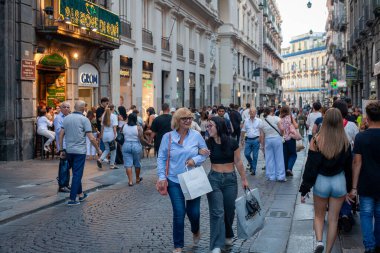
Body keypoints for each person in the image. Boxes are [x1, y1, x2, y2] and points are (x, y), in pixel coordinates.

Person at [299, 108, 352, 253]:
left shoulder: (317, 140)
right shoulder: (345, 141)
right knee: (334, 219)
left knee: (318, 215)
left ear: (325, 120)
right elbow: (349, 168)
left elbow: (311, 167)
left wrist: (305, 188)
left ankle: (319, 241)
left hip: (322, 181)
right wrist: (350, 188)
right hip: (339, 181)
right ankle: (328, 251)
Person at [156, 108, 208, 253]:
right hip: (174, 180)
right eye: (184, 118)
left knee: (194, 213)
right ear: (177, 121)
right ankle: (178, 246)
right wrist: (161, 176)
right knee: (179, 212)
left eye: (190, 118)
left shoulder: (196, 136)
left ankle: (195, 229)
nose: (188, 121)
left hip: (193, 178)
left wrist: (195, 159)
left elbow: (205, 153)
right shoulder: (168, 137)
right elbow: (161, 158)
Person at [205, 116, 249, 253]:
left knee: (229, 210)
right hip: (214, 179)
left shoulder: (232, 142)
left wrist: (244, 179)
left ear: (218, 126)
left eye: (210, 126)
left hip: (230, 180)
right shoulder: (208, 143)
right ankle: (216, 246)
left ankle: (228, 233)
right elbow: (199, 156)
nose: (207, 129)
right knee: (217, 212)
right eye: (207, 126)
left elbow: (238, 161)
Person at [348, 101, 380, 253]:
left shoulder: (361, 137)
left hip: (366, 183)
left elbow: (357, 163)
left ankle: (369, 246)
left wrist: (354, 188)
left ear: (367, 118)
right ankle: (378, 243)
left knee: (366, 215)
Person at [59, 100, 102, 205]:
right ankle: (72, 199)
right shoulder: (84, 119)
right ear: (83, 108)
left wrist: (61, 149)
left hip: (69, 150)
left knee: (75, 172)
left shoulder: (67, 118)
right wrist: (98, 150)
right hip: (79, 151)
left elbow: (61, 135)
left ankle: (81, 194)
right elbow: (91, 138)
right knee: (77, 174)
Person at [259, 107, 286, 181]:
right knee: (279, 157)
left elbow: (262, 135)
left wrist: (262, 145)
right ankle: (280, 176)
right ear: (271, 112)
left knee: (269, 158)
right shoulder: (276, 118)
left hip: (268, 139)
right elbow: (282, 129)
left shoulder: (262, 121)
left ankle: (271, 176)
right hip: (276, 138)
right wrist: (281, 134)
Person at [122, 113, 144, 186]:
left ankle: (130, 181)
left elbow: (122, 134)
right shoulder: (138, 127)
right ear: (135, 119)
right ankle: (137, 178)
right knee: (137, 163)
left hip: (126, 145)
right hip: (136, 145)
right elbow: (141, 137)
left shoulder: (124, 126)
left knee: (128, 164)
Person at [54, 102, 71, 193]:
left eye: (68, 107)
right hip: (63, 145)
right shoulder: (58, 118)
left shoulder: (69, 117)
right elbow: (59, 131)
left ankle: (66, 183)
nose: (66, 108)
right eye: (64, 107)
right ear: (60, 108)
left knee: (67, 165)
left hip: (69, 144)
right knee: (64, 165)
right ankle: (62, 185)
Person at [240, 107, 262, 175]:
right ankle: (252, 165)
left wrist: (260, 139)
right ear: (249, 113)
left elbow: (261, 131)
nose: (252, 113)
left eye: (253, 112)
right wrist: (242, 139)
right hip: (248, 140)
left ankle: (253, 170)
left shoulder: (259, 120)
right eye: (251, 111)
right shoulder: (246, 120)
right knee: (246, 154)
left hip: (256, 139)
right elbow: (243, 130)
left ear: (256, 113)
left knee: (255, 156)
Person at [97, 104, 119, 170]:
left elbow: (102, 127)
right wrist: (115, 136)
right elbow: (114, 128)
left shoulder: (103, 116)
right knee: (113, 150)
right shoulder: (114, 116)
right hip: (111, 135)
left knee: (107, 149)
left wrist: (101, 135)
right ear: (113, 109)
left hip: (105, 135)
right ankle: (112, 165)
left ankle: (100, 159)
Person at [280, 105, 298, 177]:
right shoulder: (290, 117)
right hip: (291, 138)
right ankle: (289, 169)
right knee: (293, 154)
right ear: (288, 110)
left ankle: (285, 170)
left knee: (285, 155)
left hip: (283, 139)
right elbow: (296, 126)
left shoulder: (279, 118)